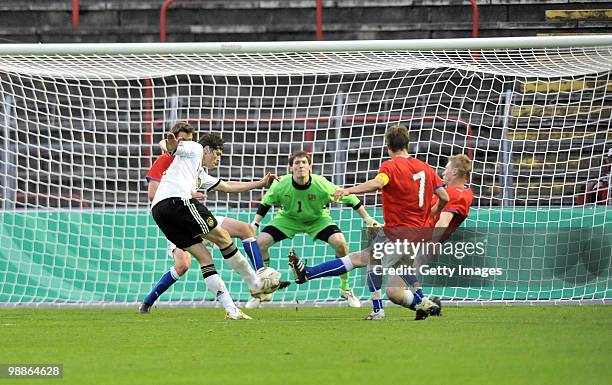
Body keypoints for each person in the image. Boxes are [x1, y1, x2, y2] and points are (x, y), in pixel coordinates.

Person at [287, 124, 449, 320]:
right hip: (417, 233)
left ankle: (389, 308)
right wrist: (432, 213)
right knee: (369, 261)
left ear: (388, 145)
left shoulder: (390, 166)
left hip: (397, 231)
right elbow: (444, 196)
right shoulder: (426, 168)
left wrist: (348, 191)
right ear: (407, 144)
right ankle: (419, 304)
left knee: (370, 260)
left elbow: (377, 183)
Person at [140, 123, 283, 313]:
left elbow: (226, 186)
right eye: (218, 154)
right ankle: (256, 283)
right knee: (223, 238)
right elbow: (171, 147)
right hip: (177, 202)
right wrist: (171, 144)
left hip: (160, 213)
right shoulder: (196, 148)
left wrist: (260, 183)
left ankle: (233, 311)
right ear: (208, 149)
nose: (218, 160)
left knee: (205, 258)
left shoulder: (197, 172)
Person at [250, 150, 380, 308]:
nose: (301, 166)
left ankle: (345, 288)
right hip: (287, 219)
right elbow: (266, 203)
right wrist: (255, 224)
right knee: (260, 242)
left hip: (318, 219)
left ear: (310, 166)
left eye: (304, 162)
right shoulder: (280, 184)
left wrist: (367, 218)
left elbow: (351, 198)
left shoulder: (322, 184)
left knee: (340, 243)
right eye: (297, 163)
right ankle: (266, 287)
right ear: (291, 168)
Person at [385, 154, 474, 316]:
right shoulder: (448, 191)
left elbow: (443, 220)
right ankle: (430, 307)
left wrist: (433, 242)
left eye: (446, 169)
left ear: (454, 172)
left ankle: (422, 304)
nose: (443, 172)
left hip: (422, 243)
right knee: (393, 292)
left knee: (368, 261)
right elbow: (431, 214)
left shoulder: (458, 194)